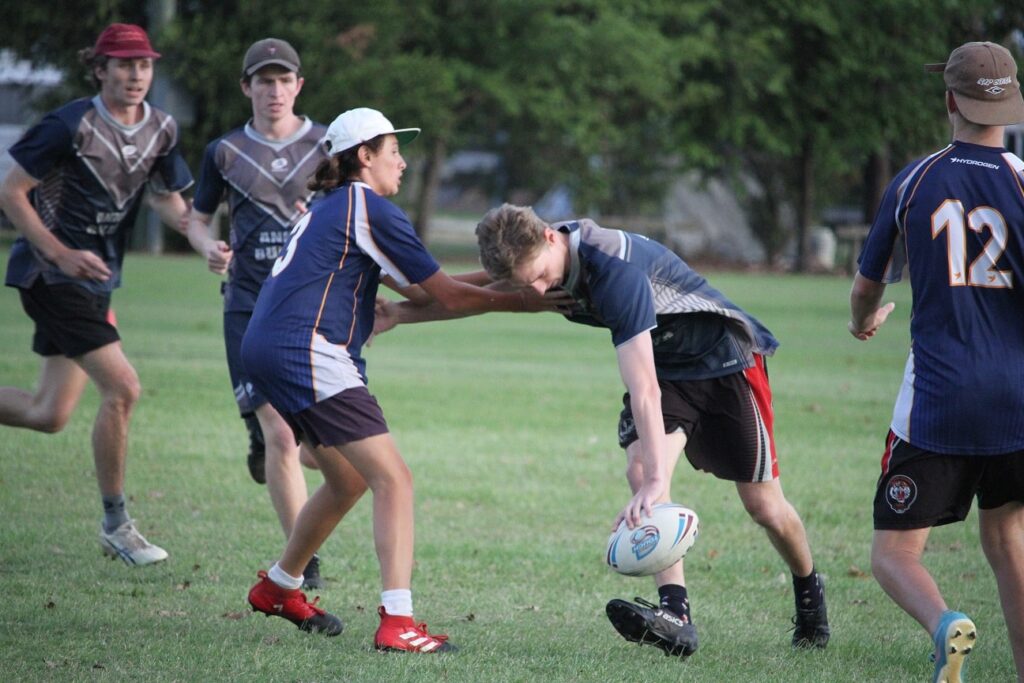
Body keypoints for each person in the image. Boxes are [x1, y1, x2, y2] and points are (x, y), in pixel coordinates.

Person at [377, 203, 831, 657]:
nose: (534, 291)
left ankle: (810, 592)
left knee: (763, 506)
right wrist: (400, 313)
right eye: (524, 284)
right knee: (640, 469)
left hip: (724, 361)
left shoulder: (614, 271)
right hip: (668, 369)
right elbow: (474, 295)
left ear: (551, 237)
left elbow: (644, 390)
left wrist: (659, 479)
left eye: (536, 277)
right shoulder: (544, 265)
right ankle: (676, 617)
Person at [241, 108, 562, 650]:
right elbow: (448, 296)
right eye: (394, 151)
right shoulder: (368, 207)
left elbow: (422, 289)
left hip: (271, 346)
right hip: (307, 349)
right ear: (363, 156)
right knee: (396, 480)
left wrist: (516, 276)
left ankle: (279, 587)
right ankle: (397, 623)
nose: (404, 162)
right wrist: (528, 302)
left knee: (349, 480)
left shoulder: (338, 207)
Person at [850, 41, 1024, 683]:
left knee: (895, 554)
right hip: (1018, 401)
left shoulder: (915, 180)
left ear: (950, 100)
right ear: (1011, 104)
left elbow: (869, 286)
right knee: (1009, 541)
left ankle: (944, 623)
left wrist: (862, 321)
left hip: (939, 403)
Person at [0, 23, 192, 566]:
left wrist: (205, 239)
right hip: (49, 277)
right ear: (100, 69)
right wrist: (57, 252)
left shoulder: (161, 129)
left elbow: (171, 203)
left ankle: (116, 526)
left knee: (48, 413)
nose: (136, 75)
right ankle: (117, 525)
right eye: (124, 65)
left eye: (144, 65)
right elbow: (11, 191)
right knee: (124, 389)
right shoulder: (69, 123)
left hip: (95, 281)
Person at [186, 37, 328, 588]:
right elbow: (198, 220)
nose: (273, 90)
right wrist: (208, 247)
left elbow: (356, 210)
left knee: (320, 446)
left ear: (298, 85)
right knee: (281, 435)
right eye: (262, 81)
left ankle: (261, 439)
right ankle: (303, 564)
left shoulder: (326, 145)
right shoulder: (224, 151)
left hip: (312, 308)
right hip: (248, 307)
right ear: (247, 87)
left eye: (283, 79)